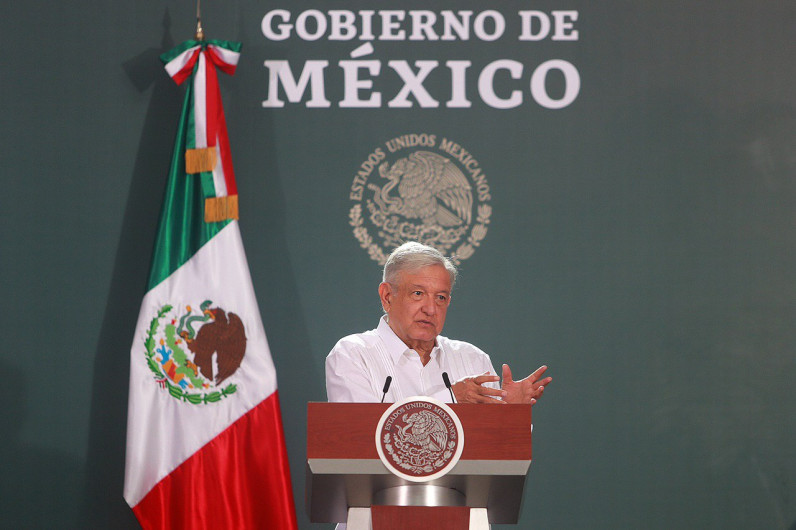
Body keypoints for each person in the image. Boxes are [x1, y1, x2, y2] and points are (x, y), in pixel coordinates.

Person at [326, 241, 551, 405]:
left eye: (440, 298)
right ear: (387, 296)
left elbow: (500, 454)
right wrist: (451, 399)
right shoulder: (353, 355)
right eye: (417, 293)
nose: (431, 309)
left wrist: (511, 414)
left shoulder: (473, 360)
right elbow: (361, 436)